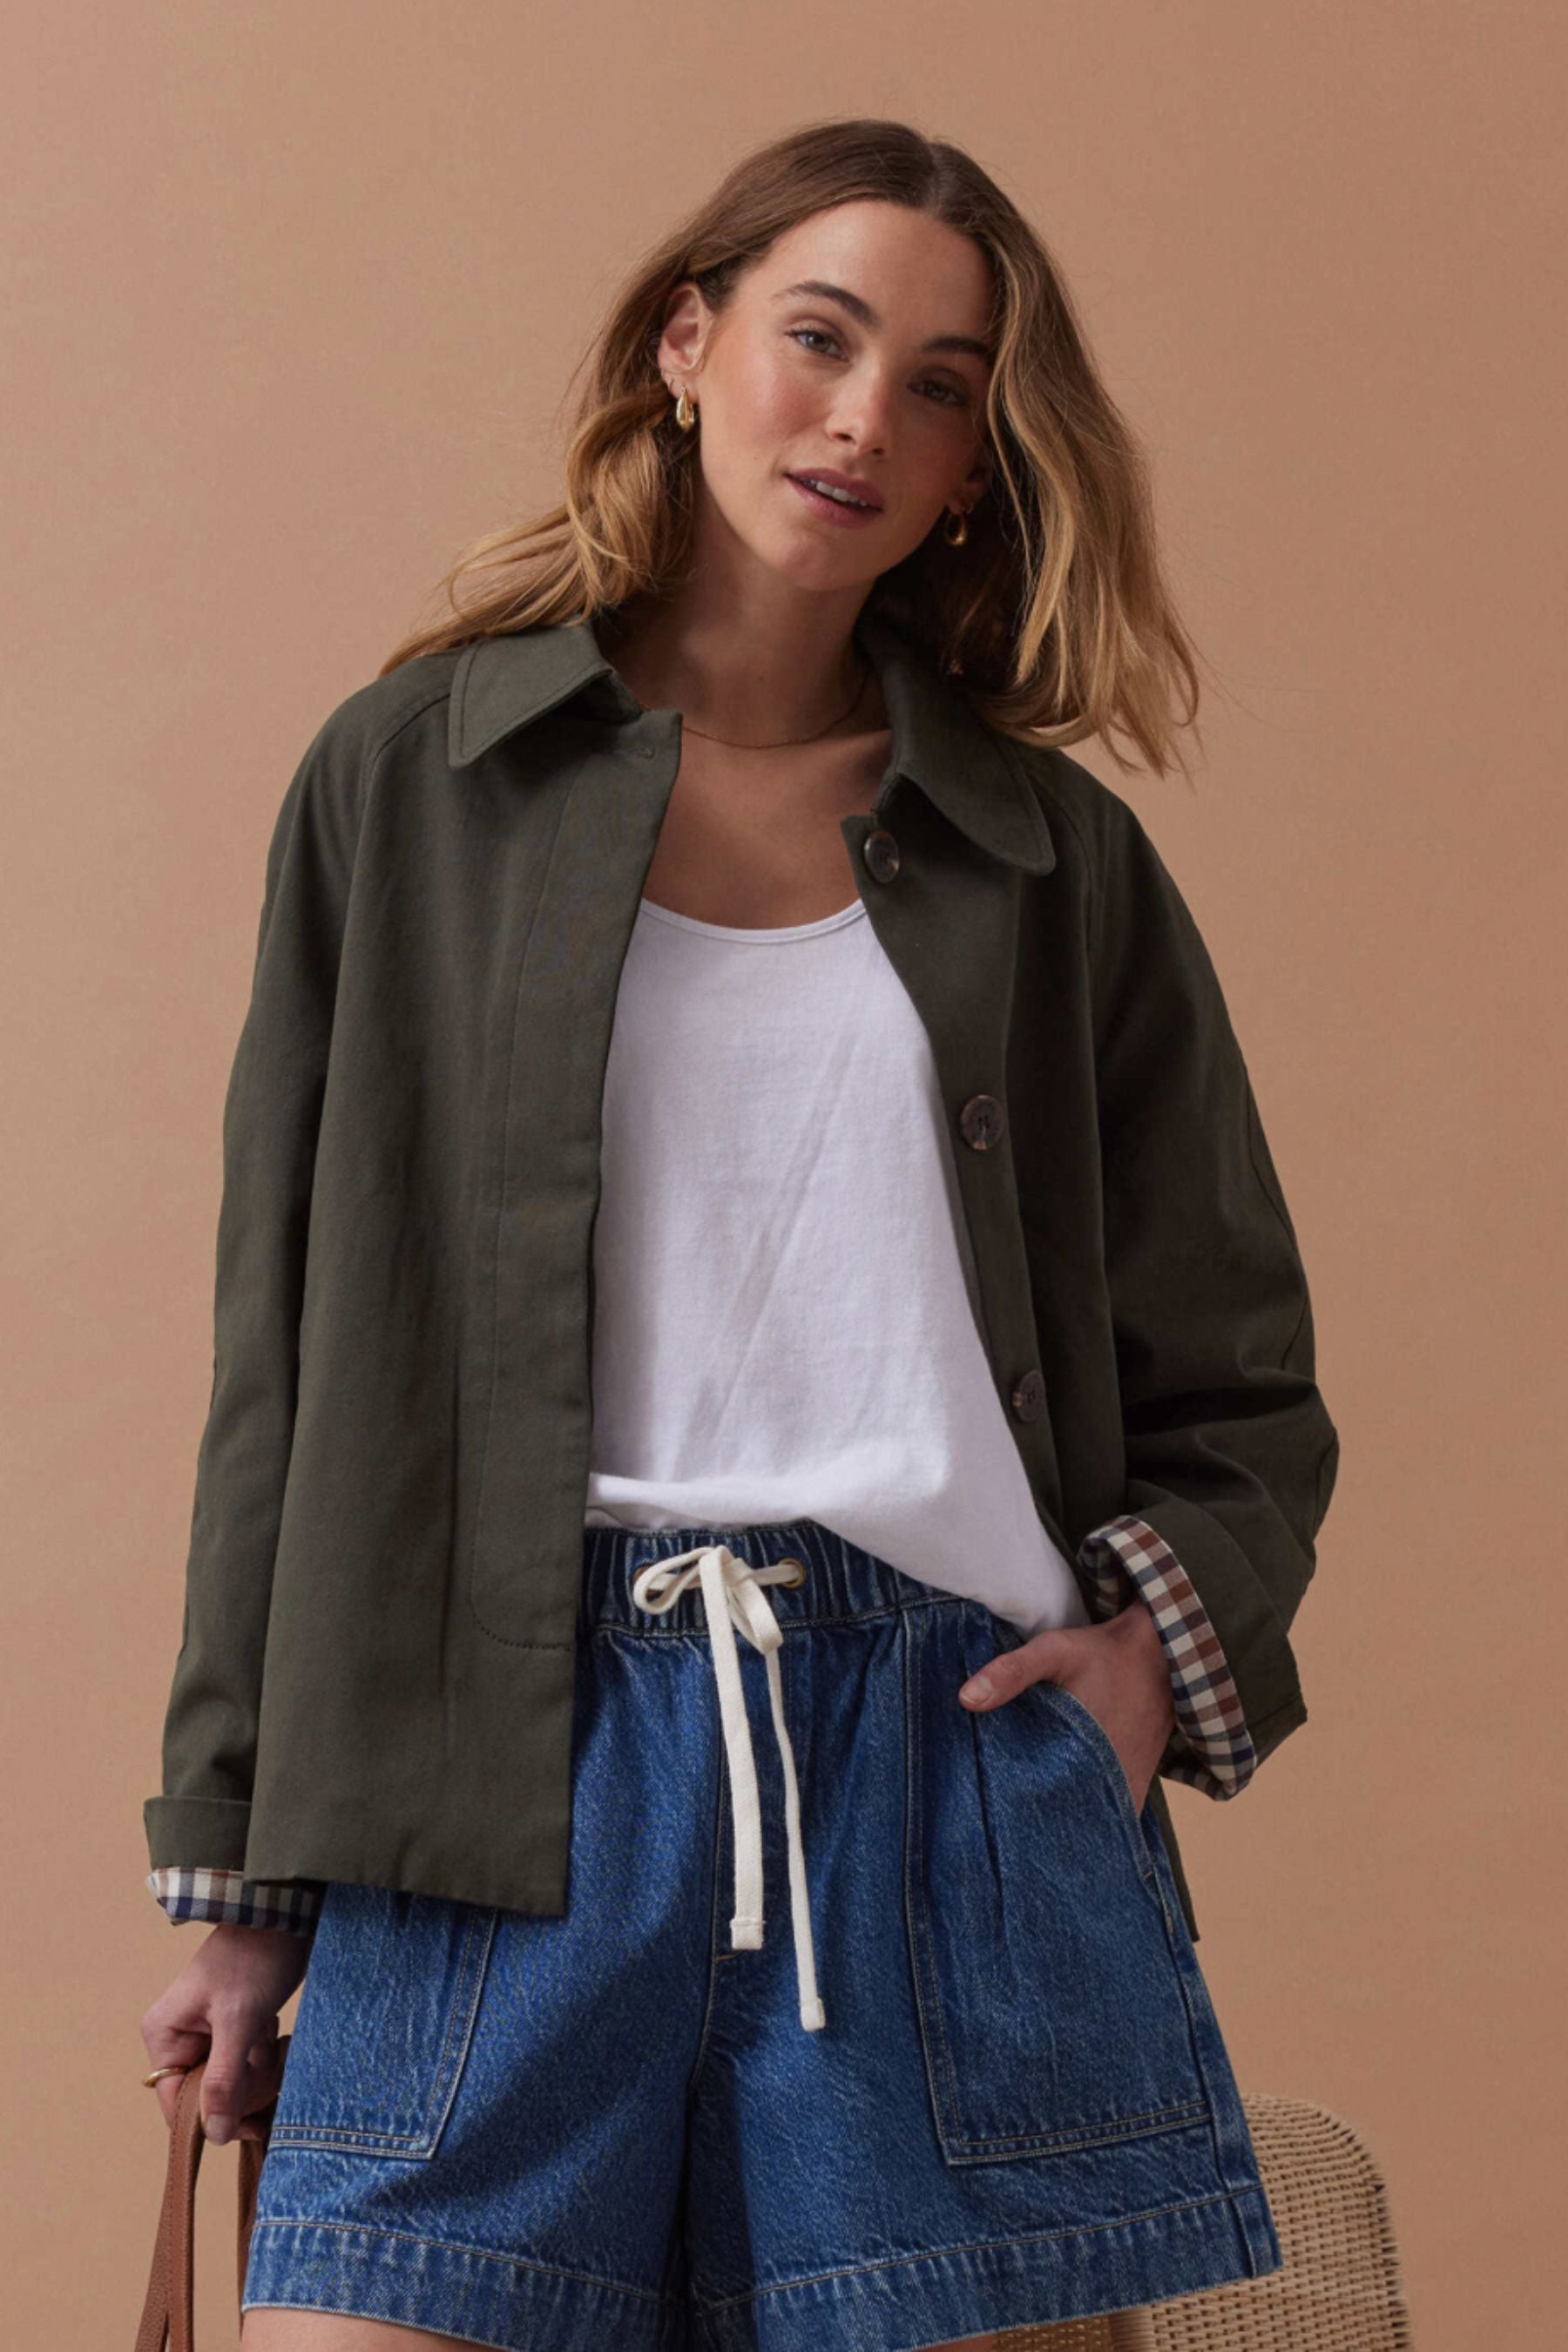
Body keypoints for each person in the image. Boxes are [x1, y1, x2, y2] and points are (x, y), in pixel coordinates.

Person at [138, 118, 1339, 2352]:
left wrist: (1136, 1677)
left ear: (976, 467)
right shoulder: (415, 784)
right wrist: (242, 1876)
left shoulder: (1047, 859)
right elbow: (286, 1363)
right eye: (822, 337)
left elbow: (1243, 1376)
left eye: (943, 386)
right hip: (489, 1766)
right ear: (687, 348)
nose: (867, 417)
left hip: (939, 1771)